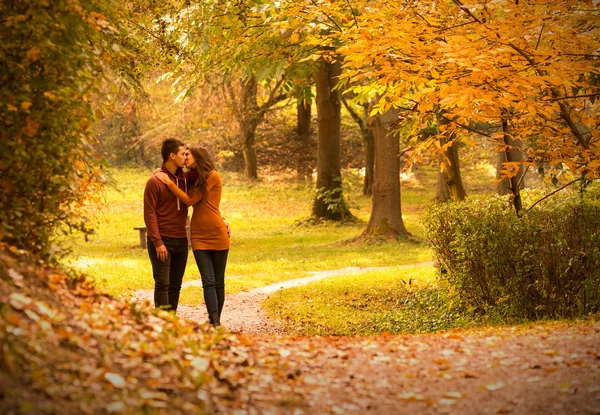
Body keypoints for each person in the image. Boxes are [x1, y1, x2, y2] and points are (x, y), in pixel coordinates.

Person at [155, 146, 230, 326]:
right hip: (198, 235)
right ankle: (215, 321)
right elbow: (175, 174)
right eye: (184, 154)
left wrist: (169, 183)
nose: (186, 157)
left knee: (218, 281)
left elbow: (190, 200)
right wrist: (164, 172)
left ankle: (214, 323)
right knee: (208, 281)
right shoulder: (192, 177)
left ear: (199, 157)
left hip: (217, 233)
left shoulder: (212, 175)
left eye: (188, 154)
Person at [143, 138, 189, 313]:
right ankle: (162, 325)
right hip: (163, 240)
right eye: (182, 154)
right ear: (172, 155)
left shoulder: (185, 180)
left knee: (175, 286)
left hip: (181, 240)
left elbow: (202, 200)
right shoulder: (154, 182)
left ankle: (172, 322)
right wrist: (157, 242)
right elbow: (149, 214)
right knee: (163, 283)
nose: (185, 157)